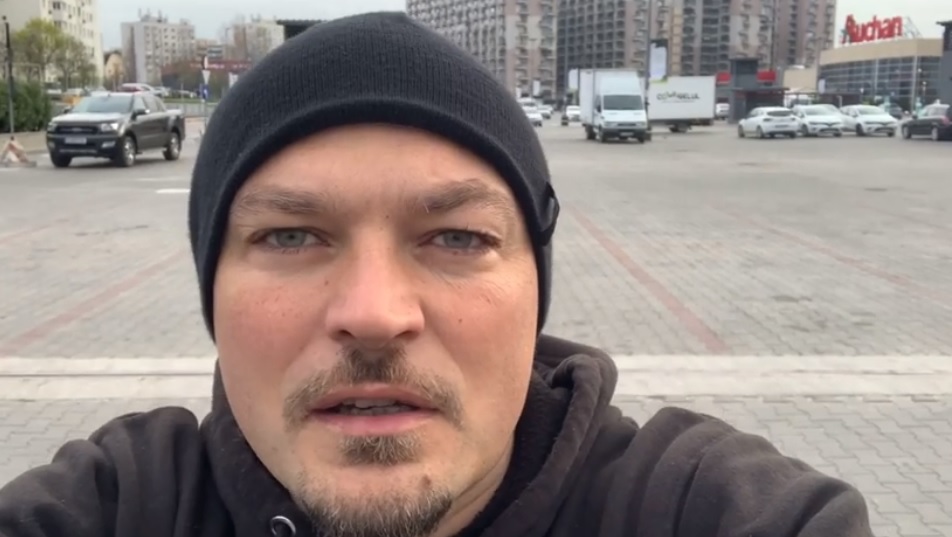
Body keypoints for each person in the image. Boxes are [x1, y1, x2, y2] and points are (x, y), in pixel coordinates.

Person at [0, 12, 873, 537]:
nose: (375, 313)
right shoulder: (119, 505)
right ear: (211, 288)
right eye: (291, 235)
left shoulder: (703, 509)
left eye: (456, 236)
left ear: (536, 288)